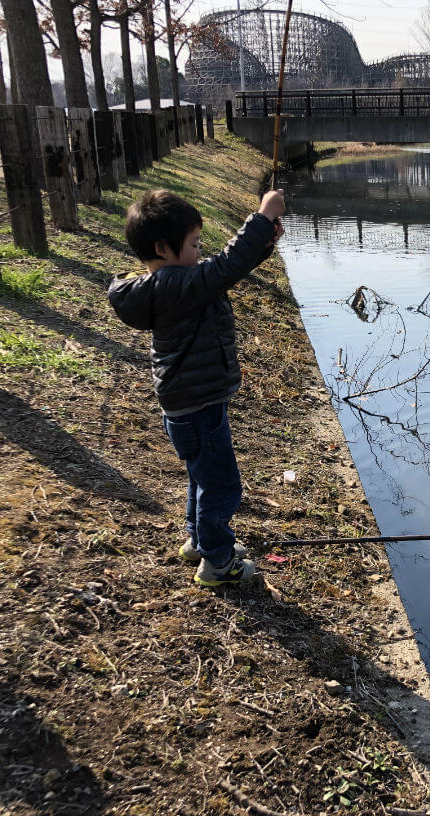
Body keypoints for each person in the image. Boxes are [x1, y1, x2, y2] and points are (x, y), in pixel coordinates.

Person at [108, 188, 286, 586]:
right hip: (198, 405)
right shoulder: (175, 286)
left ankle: (199, 541)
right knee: (223, 487)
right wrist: (262, 216)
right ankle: (219, 562)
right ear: (162, 248)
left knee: (202, 477)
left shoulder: (171, 284)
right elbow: (224, 267)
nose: (198, 252)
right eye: (193, 244)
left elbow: (225, 272)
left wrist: (263, 244)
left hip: (188, 403)